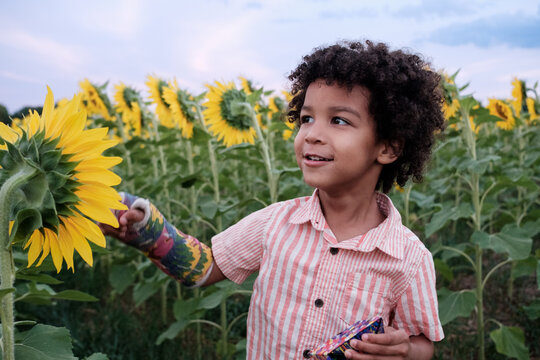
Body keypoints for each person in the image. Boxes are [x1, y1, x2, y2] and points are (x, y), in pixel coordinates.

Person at [101, 40, 446, 359]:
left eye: (338, 120)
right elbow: (203, 267)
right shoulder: (276, 223)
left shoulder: (408, 259)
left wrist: (403, 351)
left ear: (388, 147)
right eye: (306, 118)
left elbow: (422, 342)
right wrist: (146, 228)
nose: (311, 134)